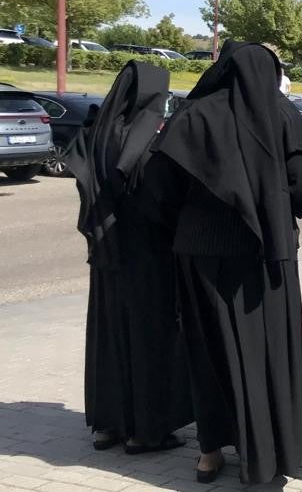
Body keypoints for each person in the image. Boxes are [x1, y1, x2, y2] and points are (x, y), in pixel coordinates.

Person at [143, 41, 302, 483]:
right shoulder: (285, 115)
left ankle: (209, 452)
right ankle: (264, 455)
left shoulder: (194, 116)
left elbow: (158, 187)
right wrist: (280, 211)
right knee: (267, 352)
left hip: (201, 252)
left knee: (208, 350)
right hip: (268, 255)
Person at [67, 61, 192, 455]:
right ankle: (146, 432)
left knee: (108, 337)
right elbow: (161, 197)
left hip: (105, 251)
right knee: (149, 339)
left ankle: (107, 425)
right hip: (147, 253)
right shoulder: (148, 135)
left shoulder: (97, 131)